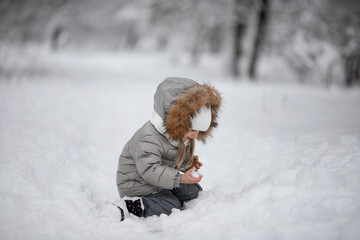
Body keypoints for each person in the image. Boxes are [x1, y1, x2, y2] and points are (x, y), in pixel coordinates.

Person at [114, 77, 222, 220]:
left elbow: (174, 159)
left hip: (160, 181)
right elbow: (149, 170)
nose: (195, 135)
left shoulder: (181, 135)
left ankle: (164, 196)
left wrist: (189, 164)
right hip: (138, 186)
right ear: (178, 121)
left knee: (193, 192)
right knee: (171, 205)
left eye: (198, 130)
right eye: (192, 129)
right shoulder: (149, 137)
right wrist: (179, 178)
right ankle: (130, 207)